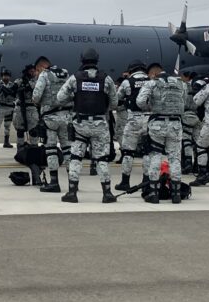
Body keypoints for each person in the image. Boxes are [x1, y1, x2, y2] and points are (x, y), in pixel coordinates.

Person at [56, 48, 118, 203]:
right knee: (102, 159)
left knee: (76, 157)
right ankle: (107, 193)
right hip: (100, 124)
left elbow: (60, 98)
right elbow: (115, 103)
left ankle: (72, 193)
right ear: (97, 60)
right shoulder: (107, 79)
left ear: (81, 60)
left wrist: (74, 96)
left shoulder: (75, 78)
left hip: (80, 124)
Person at [136, 62, 186, 204]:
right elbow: (186, 101)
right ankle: (176, 194)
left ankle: (154, 193)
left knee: (155, 155)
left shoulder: (152, 83)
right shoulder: (180, 83)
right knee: (175, 157)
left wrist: (150, 106)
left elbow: (140, 102)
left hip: (157, 123)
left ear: (153, 73)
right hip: (176, 123)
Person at [32, 57, 72, 193]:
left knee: (51, 150)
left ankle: (54, 182)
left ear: (41, 67)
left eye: (37, 70)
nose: (36, 73)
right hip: (67, 117)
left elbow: (36, 96)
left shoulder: (45, 75)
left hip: (50, 119)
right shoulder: (66, 73)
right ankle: (73, 183)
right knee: (68, 150)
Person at [115, 60, 151, 193]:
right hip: (149, 119)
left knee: (128, 152)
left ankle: (125, 182)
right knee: (148, 152)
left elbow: (117, 99)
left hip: (133, 119)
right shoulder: (151, 81)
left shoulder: (127, 82)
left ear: (131, 70)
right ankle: (146, 181)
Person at [13, 65, 40, 147]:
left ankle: (34, 147)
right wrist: (20, 88)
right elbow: (12, 91)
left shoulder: (38, 82)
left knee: (34, 130)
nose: (33, 73)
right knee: (20, 130)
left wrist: (28, 86)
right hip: (20, 107)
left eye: (34, 71)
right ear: (27, 72)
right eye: (31, 71)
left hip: (32, 107)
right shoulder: (19, 81)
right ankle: (20, 147)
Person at [180, 70, 201, 174]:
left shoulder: (184, 86)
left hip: (186, 114)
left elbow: (181, 100)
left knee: (186, 140)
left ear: (186, 77)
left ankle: (188, 162)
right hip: (198, 116)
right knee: (198, 141)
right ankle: (198, 164)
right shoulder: (201, 85)